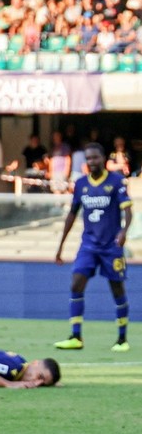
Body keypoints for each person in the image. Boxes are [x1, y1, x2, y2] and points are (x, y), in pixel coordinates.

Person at [54, 142, 132, 352]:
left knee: (117, 289)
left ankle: (122, 339)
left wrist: (124, 231)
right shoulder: (80, 184)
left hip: (111, 246)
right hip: (88, 245)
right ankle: (76, 336)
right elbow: (72, 215)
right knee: (76, 284)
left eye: (95, 158)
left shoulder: (116, 182)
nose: (91, 162)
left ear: (103, 158)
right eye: (88, 158)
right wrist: (60, 246)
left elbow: (128, 210)